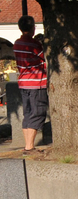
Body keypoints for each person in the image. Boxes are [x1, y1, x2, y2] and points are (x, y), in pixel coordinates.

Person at [13, 16, 48, 155]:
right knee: (37, 113)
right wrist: (42, 43)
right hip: (36, 83)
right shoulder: (34, 45)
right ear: (33, 27)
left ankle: (27, 145)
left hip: (23, 83)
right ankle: (29, 147)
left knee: (27, 114)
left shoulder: (17, 43)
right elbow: (45, 57)